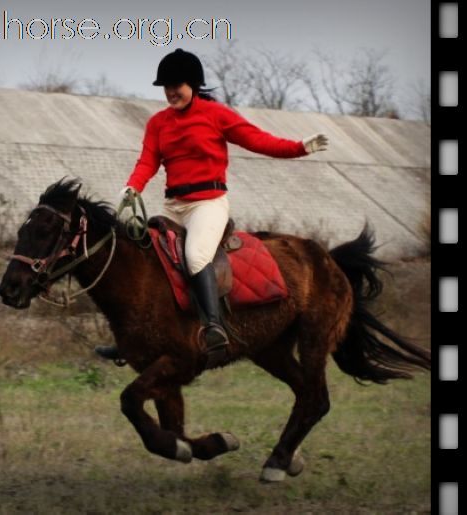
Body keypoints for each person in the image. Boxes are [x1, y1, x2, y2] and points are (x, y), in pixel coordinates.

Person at [96, 48, 328, 363]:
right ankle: (132, 341)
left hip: (208, 205)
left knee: (194, 257)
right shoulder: (158, 123)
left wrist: (300, 148)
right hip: (174, 206)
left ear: (193, 83)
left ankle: (213, 326)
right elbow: (148, 160)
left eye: (176, 85)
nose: (170, 92)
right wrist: (132, 188)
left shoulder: (215, 115)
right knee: (144, 261)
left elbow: (259, 140)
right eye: (166, 86)